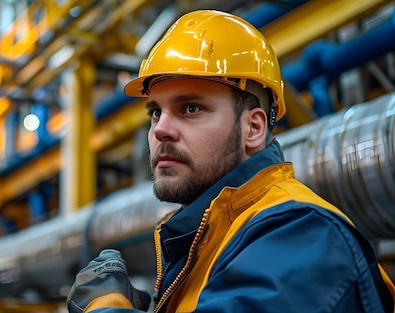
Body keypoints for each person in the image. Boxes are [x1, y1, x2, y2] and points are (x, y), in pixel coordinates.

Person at [66, 9, 395, 313]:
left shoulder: (297, 235)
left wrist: (106, 307)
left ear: (253, 128)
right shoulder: (207, 242)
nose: (160, 129)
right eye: (155, 112)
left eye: (191, 108)